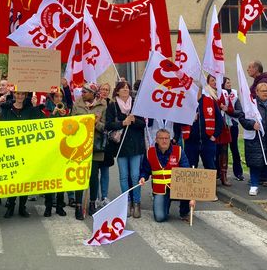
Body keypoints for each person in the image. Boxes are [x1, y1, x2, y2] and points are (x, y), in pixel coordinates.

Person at [105, 80, 146, 218]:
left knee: (135, 175)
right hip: (120, 146)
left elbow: (143, 124)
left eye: (127, 88)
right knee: (123, 176)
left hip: (135, 145)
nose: (126, 90)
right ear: (117, 91)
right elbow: (109, 125)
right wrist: (123, 122)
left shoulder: (136, 104)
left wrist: (134, 120)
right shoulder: (113, 106)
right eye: (123, 88)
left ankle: (137, 203)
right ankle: (126, 203)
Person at [0, 91, 42, 218]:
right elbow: (0, 127)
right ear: (14, 95)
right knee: (13, 179)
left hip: (26, 150)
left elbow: (41, 123)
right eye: (18, 94)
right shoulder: (7, 110)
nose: (20, 96)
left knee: (24, 180)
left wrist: (36, 107)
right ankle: (10, 205)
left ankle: (22, 206)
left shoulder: (30, 110)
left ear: (25, 96)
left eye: (22, 94)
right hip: (11, 150)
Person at [139, 129, 194, 222]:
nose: (164, 141)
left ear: (170, 139)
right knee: (160, 218)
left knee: (186, 188)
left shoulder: (179, 151)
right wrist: (142, 177)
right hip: (160, 190)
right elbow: (145, 170)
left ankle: (184, 212)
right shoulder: (149, 152)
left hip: (177, 188)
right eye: (161, 138)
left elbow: (187, 172)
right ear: (156, 139)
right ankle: (165, 207)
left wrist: (192, 197)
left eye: (167, 138)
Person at [72, 83, 108, 218]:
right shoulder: (77, 104)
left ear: (93, 93)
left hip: (96, 146)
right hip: (80, 145)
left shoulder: (102, 105)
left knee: (93, 176)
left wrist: (95, 123)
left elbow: (105, 126)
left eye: (85, 92)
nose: (83, 94)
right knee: (80, 175)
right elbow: (71, 123)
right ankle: (78, 205)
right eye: (82, 91)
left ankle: (92, 203)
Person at [40, 88, 69, 218]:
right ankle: (48, 205)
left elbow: (70, 127)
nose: (59, 99)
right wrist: (53, 113)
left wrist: (65, 116)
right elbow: (45, 126)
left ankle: (59, 205)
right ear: (52, 97)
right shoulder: (46, 110)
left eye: (60, 96)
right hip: (49, 148)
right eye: (56, 96)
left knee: (61, 178)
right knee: (50, 179)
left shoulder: (66, 109)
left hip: (62, 148)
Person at [205, 75, 236, 187]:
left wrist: (226, 108)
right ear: (208, 82)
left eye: (216, 80)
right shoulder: (206, 93)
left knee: (224, 151)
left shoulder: (224, 93)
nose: (214, 82)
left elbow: (231, 109)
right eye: (212, 80)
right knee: (212, 152)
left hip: (223, 127)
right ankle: (213, 176)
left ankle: (224, 176)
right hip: (211, 126)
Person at [183, 87, 222, 171]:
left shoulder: (210, 101)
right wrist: (189, 118)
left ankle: (210, 184)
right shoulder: (184, 103)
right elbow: (177, 122)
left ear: (199, 90)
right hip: (190, 142)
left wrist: (215, 135)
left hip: (207, 141)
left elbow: (219, 120)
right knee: (190, 169)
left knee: (210, 168)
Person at [223, 77, 244, 181]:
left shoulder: (234, 95)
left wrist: (229, 110)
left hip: (233, 125)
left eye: (230, 81)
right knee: (223, 150)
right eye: (227, 82)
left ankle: (238, 172)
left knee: (234, 149)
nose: (229, 83)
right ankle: (222, 173)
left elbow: (239, 111)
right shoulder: (219, 94)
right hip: (223, 126)